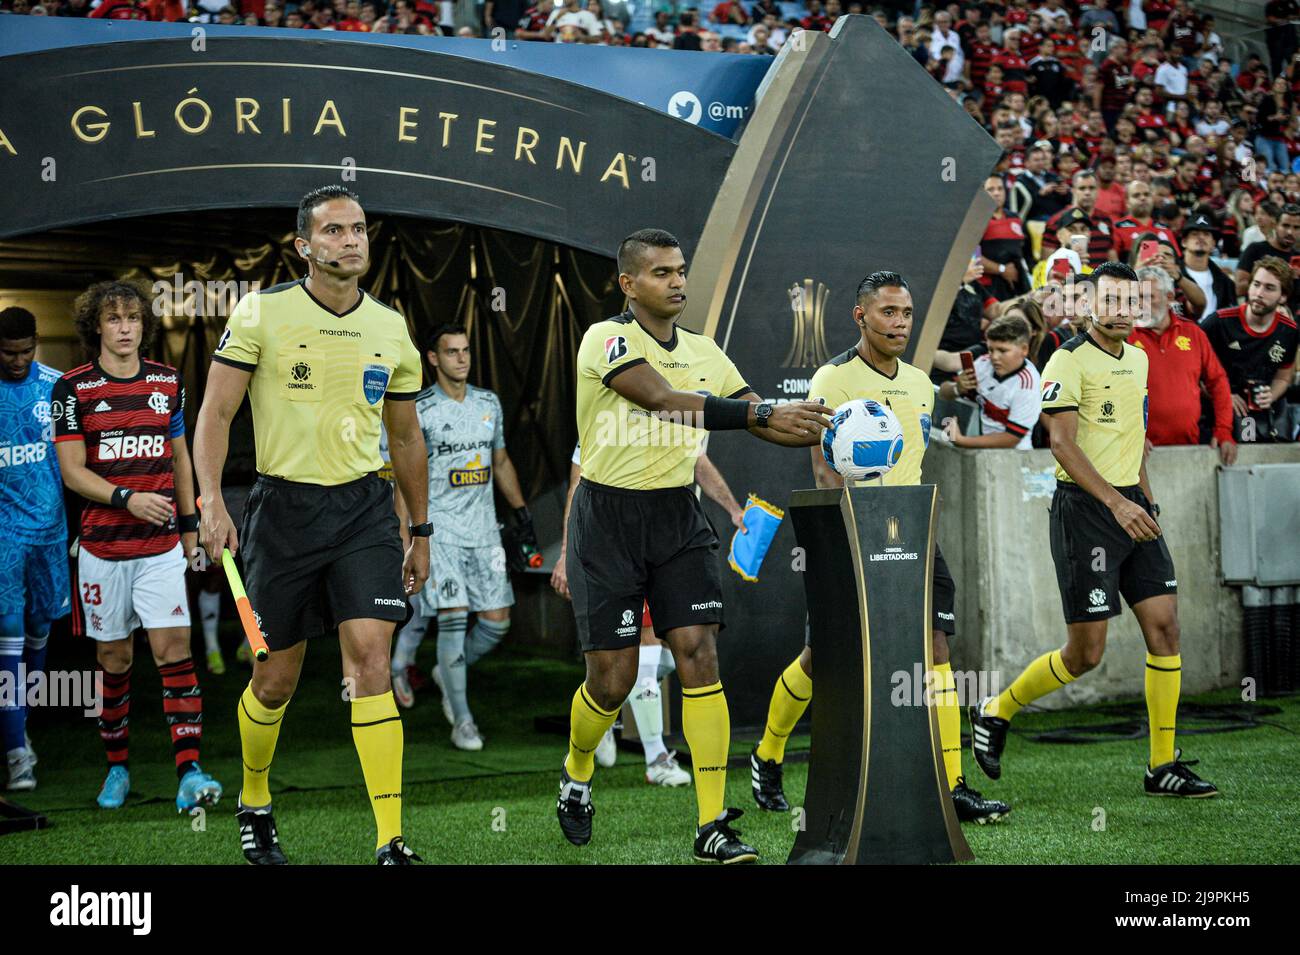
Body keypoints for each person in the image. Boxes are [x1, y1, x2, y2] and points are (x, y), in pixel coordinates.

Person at [554, 228, 833, 863]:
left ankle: (711, 824)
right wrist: (760, 416)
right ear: (628, 284)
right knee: (613, 678)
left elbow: (763, 416)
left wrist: (828, 429)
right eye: (661, 272)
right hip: (606, 519)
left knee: (698, 655)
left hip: (678, 518)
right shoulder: (607, 339)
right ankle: (575, 775)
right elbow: (661, 400)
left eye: (680, 270)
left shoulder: (707, 351)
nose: (678, 281)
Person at [194, 185, 429, 865]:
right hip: (284, 513)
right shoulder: (262, 312)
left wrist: (421, 528)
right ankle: (255, 799)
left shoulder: (391, 326)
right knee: (275, 679)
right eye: (333, 231)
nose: (350, 240)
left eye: (358, 229)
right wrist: (211, 500)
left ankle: (390, 838)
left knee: (373, 661)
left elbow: (407, 437)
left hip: (363, 509)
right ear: (304, 245)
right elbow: (214, 413)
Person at [749, 271, 1010, 826]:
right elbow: (823, 470)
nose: (900, 323)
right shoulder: (833, 377)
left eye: (907, 313)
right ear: (860, 316)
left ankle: (952, 785)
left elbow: (916, 461)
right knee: (824, 658)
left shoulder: (919, 382)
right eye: (888, 312)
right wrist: (854, 530)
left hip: (914, 529)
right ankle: (767, 754)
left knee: (938, 647)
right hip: (851, 532)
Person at [969, 261, 1218, 799]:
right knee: (1086, 653)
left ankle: (1161, 765)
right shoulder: (1067, 358)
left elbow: (1136, 437)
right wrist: (1115, 504)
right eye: (1110, 301)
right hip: (1085, 509)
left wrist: (1144, 499)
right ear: (1088, 305)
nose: (1122, 312)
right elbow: (1061, 443)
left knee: (1166, 627)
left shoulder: (1139, 359)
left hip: (1132, 504)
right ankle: (997, 709)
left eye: (1131, 302)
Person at [52, 281, 222, 813]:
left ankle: (189, 772)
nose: (124, 328)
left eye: (132, 319)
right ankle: (117, 770)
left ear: (143, 326)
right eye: (113, 319)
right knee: (115, 659)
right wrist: (126, 498)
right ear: (95, 328)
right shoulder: (72, 389)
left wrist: (191, 528)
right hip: (102, 550)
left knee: (175, 652)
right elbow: (72, 471)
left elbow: (179, 459)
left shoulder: (167, 382)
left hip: (161, 548)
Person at [553, 442, 744, 787]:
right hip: (615, 544)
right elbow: (577, 484)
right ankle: (655, 757)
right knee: (642, 649)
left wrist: (733, 509)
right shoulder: (602, 407)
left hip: (673, 541)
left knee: (668, 657)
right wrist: (568, 551)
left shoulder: (680, 405)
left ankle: (605, 715)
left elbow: (697, 460)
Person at [388, 323, 532, 754]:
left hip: (486, 531)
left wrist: (522, 513)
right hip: (441, 530)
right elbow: (402, 477)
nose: (462, 359)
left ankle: (448, 672)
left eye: (466, 350)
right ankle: (463, 721)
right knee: (453, 616)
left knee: (497, 622)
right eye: (451, 352)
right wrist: (406, 535)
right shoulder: (420, 409)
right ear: (433, 359)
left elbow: (501, 461)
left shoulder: (489, 403)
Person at [0, 307, 70, 792]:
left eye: (26, 350)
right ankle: (16, 753)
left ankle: (22, 719)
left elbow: (77, 458)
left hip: (51, 531)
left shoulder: (57, 386)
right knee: (6, 631)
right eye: (8, 352)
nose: (18, 360)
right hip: (4, 534)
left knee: (40, 626)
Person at [1130, 266, 1234, 463]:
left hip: (1189, 447)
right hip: (1137, 453)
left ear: (1169, 297)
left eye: (1149, 297)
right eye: (1137, 298)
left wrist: (1223, 430)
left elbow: (1218, 382)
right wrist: (1129, 434)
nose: (1141, 305)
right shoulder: (1124, 336)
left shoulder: (1194, 334)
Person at [1201, 258, 1300, 444]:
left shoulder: (1289, 331)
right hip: (1215, 412)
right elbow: (1191, 373)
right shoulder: (1218, 323)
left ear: (1283, 296)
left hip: (1261, 414)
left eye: (1269, 288)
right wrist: (1224, 395)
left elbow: (1284, 376)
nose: (1259, 294)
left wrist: (1271, 394)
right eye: (1256, 285)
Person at [934, 314, 1043, 449]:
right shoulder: (984, 363)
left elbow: (1011, 438)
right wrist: (957, 388)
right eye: (991, 349)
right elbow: (943, 393)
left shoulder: (1028, 385)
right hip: (982, 453)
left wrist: (962, 441)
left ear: (1024, 349)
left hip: (1014, 457)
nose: (994, 357)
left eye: (1003, 351)